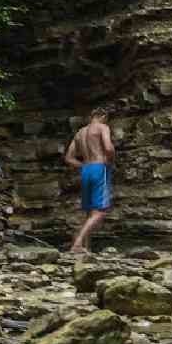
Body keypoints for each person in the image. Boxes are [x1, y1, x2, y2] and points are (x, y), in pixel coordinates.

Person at [64, 107, 115, 253]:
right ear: (103, 116)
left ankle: (87, 247)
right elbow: (109, 148)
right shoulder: (102, 127)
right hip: (100, 167)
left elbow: (68, 158)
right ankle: (78, 243)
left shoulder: (80, 132)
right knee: (100, 210)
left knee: (90, 211)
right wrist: (109, 160)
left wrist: (84, 165)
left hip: (86, 169)